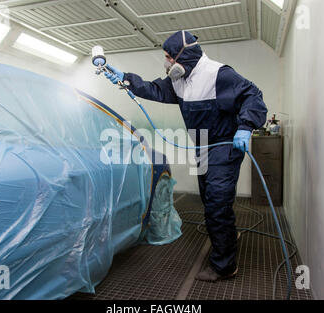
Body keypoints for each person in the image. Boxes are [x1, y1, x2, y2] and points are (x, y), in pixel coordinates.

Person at [104, 30, 268, 282]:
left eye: (169, 57)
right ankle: (227, 234)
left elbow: (253, 96)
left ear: (184, 56)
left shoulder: (218, 74)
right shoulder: (178, 79)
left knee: (216, 200)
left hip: (225, 145)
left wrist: (246, 127)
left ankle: (224, 266)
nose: (167, 62)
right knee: (210, 196)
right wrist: (125, 79)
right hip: (202, 145)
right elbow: (155, 89)